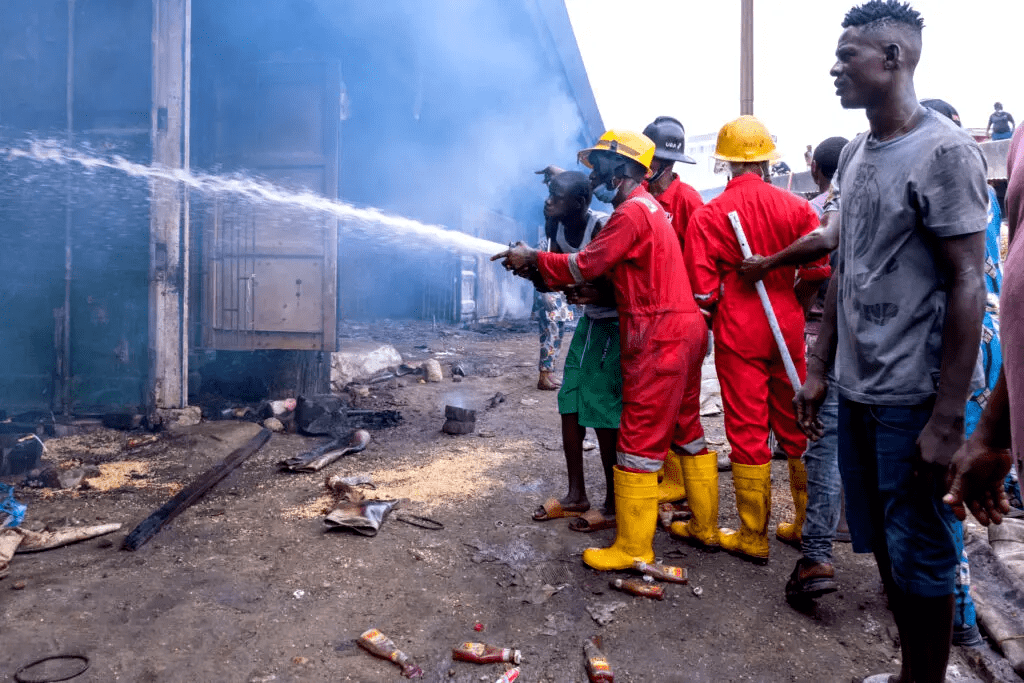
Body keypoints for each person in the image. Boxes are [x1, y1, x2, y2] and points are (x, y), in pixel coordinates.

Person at [796, 3, 989, 682]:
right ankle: (911, 674)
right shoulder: (854, 152)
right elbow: (846, 267)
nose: (834, 67)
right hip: (859, 390)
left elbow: (968, 282)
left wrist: (947, 417)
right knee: (882, 541)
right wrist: (820, 366)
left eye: (846, 55)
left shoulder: (946, 152)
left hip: (915, 397)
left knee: (922, 551)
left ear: (892, 58)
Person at [493, 129, 709, 572]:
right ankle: (704, 527)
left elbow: (586, 264)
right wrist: (541, 268)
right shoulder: (647, 206)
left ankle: (633, 547)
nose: (594, 178)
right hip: (680, 326)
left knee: (638, 440)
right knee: (687, 431)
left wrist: (534, 258)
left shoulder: (630, 213)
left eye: (600, 168)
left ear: (622, 169)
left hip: (658, 331)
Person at [678, 115, 830, 563]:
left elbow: (703, 292)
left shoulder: (709, 216)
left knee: (747, 427)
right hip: (787, 323)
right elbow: (817, 269)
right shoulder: (797, 208)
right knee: (797, 421)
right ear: (765, 161)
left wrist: (722, 304)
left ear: (726, 163)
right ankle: (804, 526)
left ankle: (752, 535)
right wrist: (794, 304)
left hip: (738, 329)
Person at [527, 170, 622, 533]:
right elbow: (551, 278)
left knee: (601, 409)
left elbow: (625, 284)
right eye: (549, 194)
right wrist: (529, 269)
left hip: (615, 324)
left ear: (580, 203)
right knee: (569, 401)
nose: (548, 200)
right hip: (591, 323)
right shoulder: (556, 225)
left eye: (556, 196)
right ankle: (576, 495)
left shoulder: (602, 227)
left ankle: (614, 503)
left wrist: (590, 292)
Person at [641, 115, 709, 504]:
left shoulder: (688, 201)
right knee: (656, 406)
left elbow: (702, 264)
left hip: (679, 319)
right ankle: (672, 482)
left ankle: (690, 493)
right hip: (649, 318)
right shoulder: (642, 199)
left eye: (650, 161)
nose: (643, 168)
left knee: (682, 410)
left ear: (667, 164)